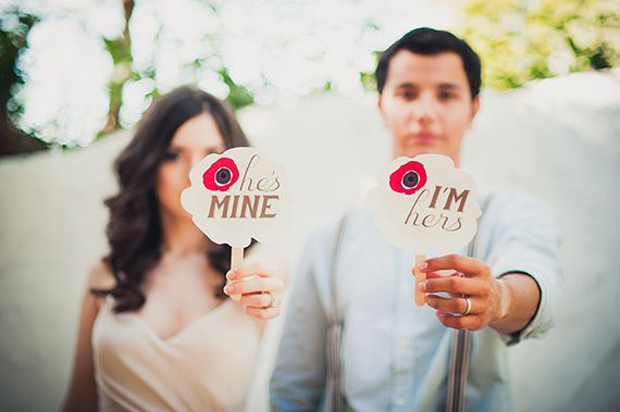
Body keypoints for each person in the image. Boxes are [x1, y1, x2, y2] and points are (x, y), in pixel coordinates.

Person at [270, 27, 561, 411]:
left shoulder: (509, 215)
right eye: (407, 94)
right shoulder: (329, 239)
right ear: (381, 107)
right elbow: (294, 382)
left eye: (446, 94)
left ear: (474, 109)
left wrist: (500, 298)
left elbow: (539, 285)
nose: (424, 113)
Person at [61, 86, 285, 412]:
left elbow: (273, 276)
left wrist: (266, 285)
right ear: (149, 166)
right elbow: (78, 403)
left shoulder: (253, 270)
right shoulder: (107, 274)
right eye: (174, 155)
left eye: (213, 156)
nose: (195, 173)